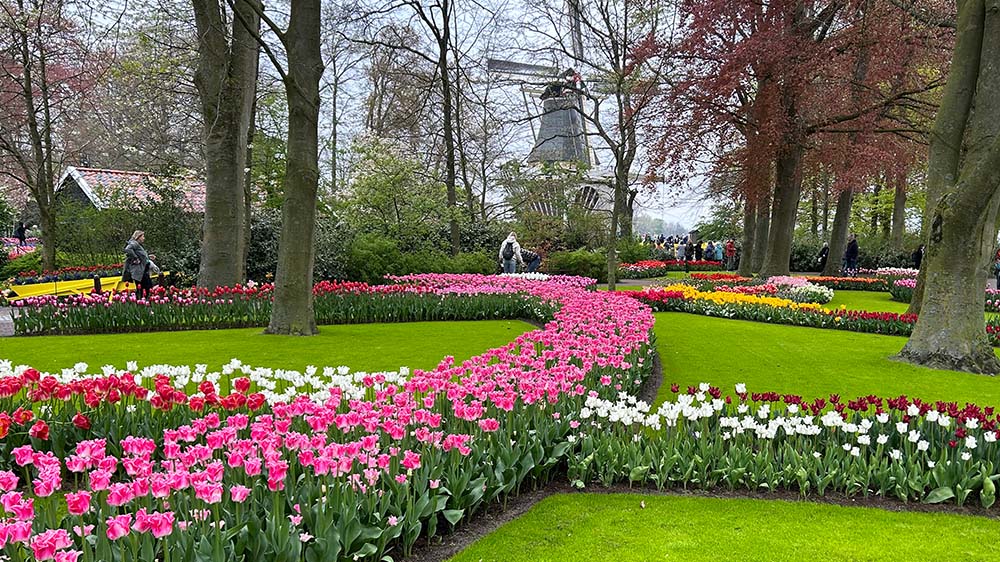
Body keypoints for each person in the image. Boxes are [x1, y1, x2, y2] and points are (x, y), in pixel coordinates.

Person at [123, 230, 155, 300]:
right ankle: (142, 304)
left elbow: (141, 255)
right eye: (143, 236)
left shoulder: (137, 245)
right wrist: (135, 258)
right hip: (139, 272)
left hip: (142, 271)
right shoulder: (134, 243)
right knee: (144, 289)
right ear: (138, 237)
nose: (144, 238)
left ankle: (143, 303)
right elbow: (127, 249)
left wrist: (148, 257)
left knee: (147, 288)